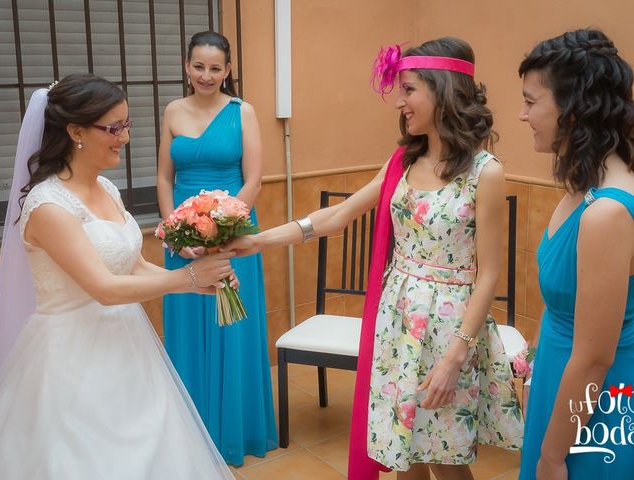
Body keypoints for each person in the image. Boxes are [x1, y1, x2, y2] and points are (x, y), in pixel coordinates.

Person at [225, 37, 523, 480]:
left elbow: (489, 274)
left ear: (441, 91)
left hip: (449, 329)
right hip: (397, 321)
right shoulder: (403, 160)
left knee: (448, 460)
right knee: (405, 452)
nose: (399, 102)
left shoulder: (485, 172)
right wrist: (258, 239)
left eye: (408, 89)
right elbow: (339, 216)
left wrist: (455, 357)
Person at [0, 73, 237, 479]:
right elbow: (104, 288)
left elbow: (132, 264)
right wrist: (189, 278)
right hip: (71, 361)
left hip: (128, 346)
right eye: (114, 127)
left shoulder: (106, 188)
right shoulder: (47, 206)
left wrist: (203, 285)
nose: (124, 138)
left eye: (127, 125)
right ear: (75, 131)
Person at [156, 30, 277, 466]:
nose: (206, 75)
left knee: (233, 328)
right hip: (181, 240)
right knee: (188, 327)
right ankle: (191, 433)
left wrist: (221, 231)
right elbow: (165, 178)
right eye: (198, 66)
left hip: (233, 233)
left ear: (228, 70)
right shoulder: (172, 110)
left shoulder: (243, 112)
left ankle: (233, 433)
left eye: (215, 67)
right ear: (187, 67)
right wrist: (175, 232)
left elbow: (254, 180)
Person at [518, 29, 634, 480]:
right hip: (559, 381)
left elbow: (595, 359)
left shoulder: (608, 212)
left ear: (573, 108)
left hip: (595, 409)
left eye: (531, 102)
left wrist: (553, 454)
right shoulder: (584, 188)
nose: (522, 114)